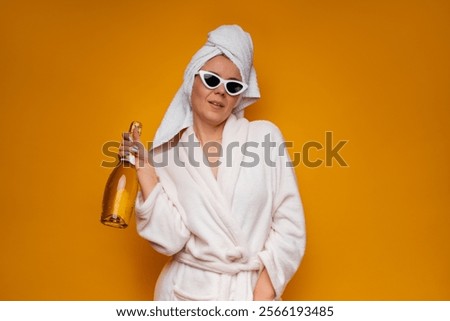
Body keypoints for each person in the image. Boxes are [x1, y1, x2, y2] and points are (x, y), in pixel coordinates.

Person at [119, 25, 306, 301]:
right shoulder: (166, 155)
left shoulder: (264, 137)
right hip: (183, 294)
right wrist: (147, 173)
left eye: (232, 85)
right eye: (211, 79)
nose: (220, 92)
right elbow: (170, 240)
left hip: (250, 294)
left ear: (239, 96)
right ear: (191, 79)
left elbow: (291, 225)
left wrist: (262, 294)